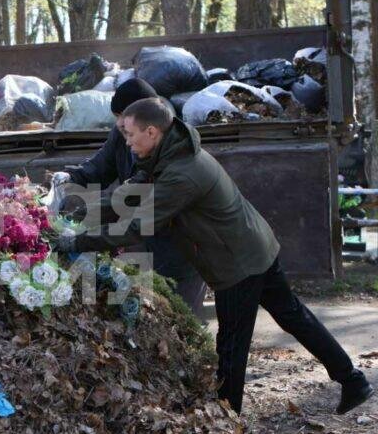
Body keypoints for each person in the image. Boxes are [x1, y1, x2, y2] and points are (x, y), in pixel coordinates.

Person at [50, 97, 373, 415]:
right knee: (292, 316)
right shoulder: (168, 153)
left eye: (130, 134)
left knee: (232, 343)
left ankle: (226, 416)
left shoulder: (181, 173)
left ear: (151, 132)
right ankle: (352, 380)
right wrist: (80, 209)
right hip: (253, 245)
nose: (127, 142)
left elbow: (136, 226)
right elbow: (129, 195)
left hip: (237, 261)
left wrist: (75, 243)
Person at [50, 78, 208, 318]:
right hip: (151, 238)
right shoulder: (124, 135)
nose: (121, 128)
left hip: (183, 244)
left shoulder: (171, 150)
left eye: (123, 119)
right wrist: (71, 178)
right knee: (157, 312)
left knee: (184, 317)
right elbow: (101, 168)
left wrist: (78, 234)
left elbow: (130, 205)